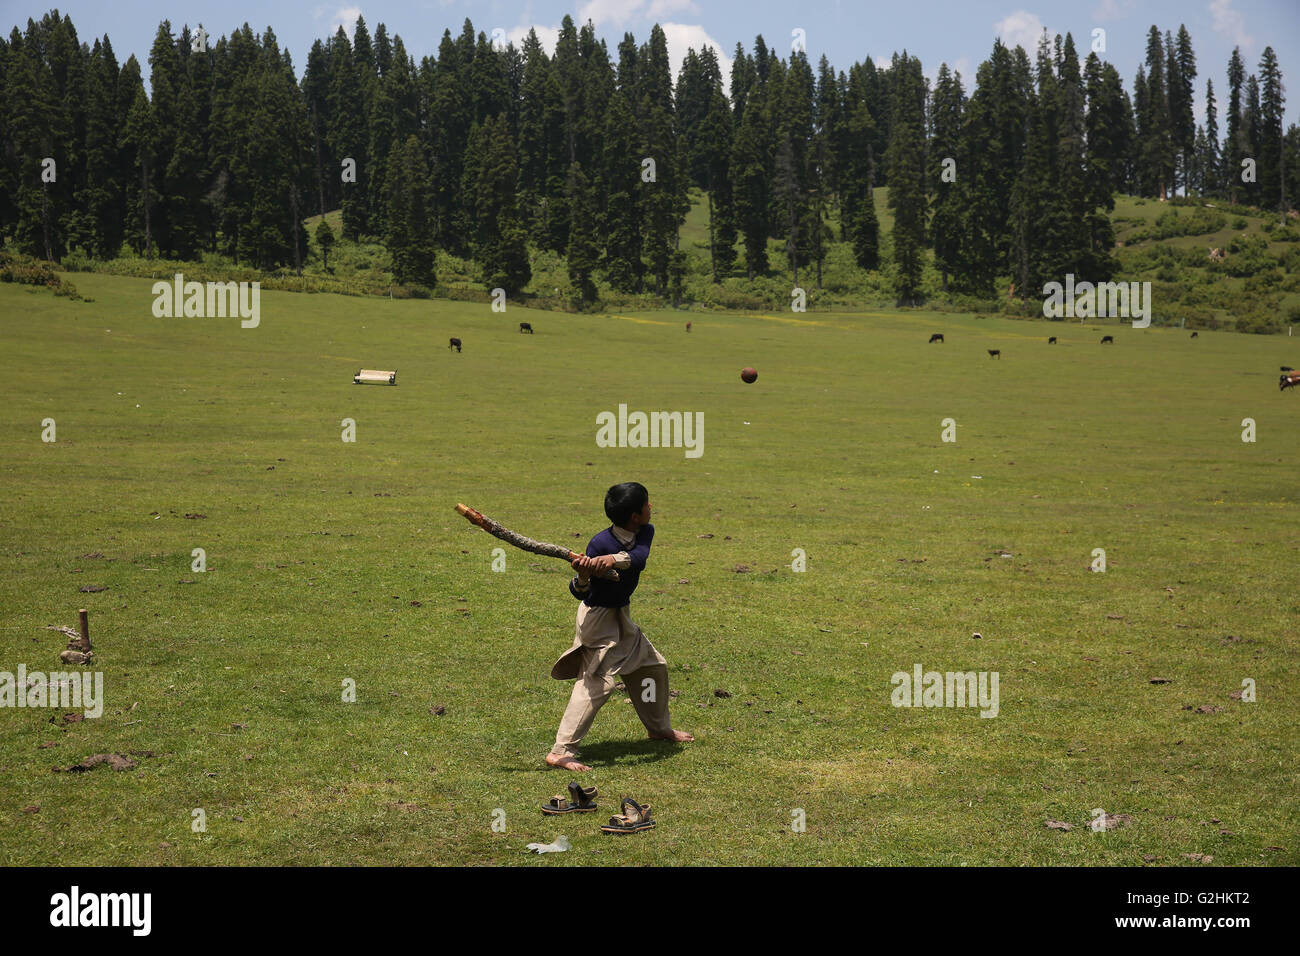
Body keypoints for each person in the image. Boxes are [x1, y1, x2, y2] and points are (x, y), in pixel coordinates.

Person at [546, 482, 694, 772]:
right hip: (598, 619)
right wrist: (584, 576)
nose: (652, 507)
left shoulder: (644, 532)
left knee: (651, 667)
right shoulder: (598, 543)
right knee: (598, 683)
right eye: (647, 505)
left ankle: (658, 729)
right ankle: (561, 751)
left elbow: (638, 559)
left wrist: (612, 560)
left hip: (620, 616)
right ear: (635, 516)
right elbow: (581, 592)